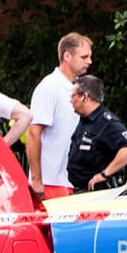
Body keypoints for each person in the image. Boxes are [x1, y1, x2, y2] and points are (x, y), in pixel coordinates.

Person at [26, 32, 92, 199]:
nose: (89, 62)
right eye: (84, 57)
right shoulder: (49, 87)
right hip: (50, 182)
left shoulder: (75, 88)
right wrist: (36, 179)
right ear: (67, 56)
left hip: (67, 181)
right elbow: (34, 133)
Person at [65, 75, 127, 190]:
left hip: (99, 192)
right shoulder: (85, 120)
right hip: (81, 190)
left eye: (73, 96)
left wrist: (105, 174)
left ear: (85, 97)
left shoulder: (107, 123)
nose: (70, 100)